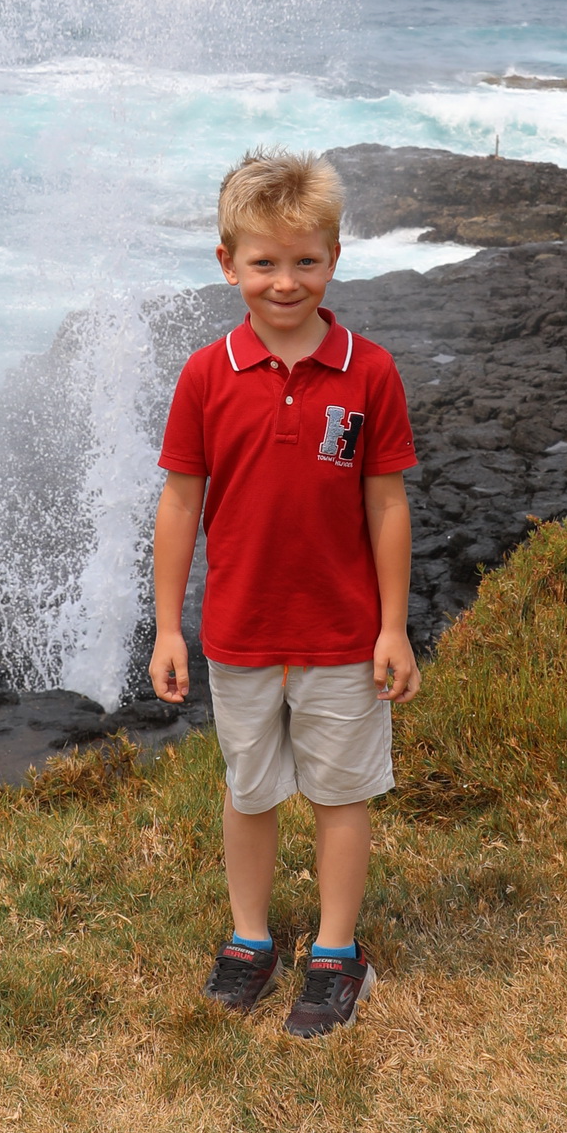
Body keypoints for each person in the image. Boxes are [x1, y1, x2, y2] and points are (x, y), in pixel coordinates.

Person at [149, 149, 419, 1041]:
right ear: (227, 264)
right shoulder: (205, 374)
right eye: (264, 262)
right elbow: (181, 503)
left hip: (344, 633)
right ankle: (251, 939)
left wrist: (394, 627)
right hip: (240, 631)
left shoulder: (369, 371)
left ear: (334, 257)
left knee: (342, 794)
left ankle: (338, 955)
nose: (285, 281)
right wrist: (167, 628)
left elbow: (386, 501)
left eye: (305, 260)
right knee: (250, 790)